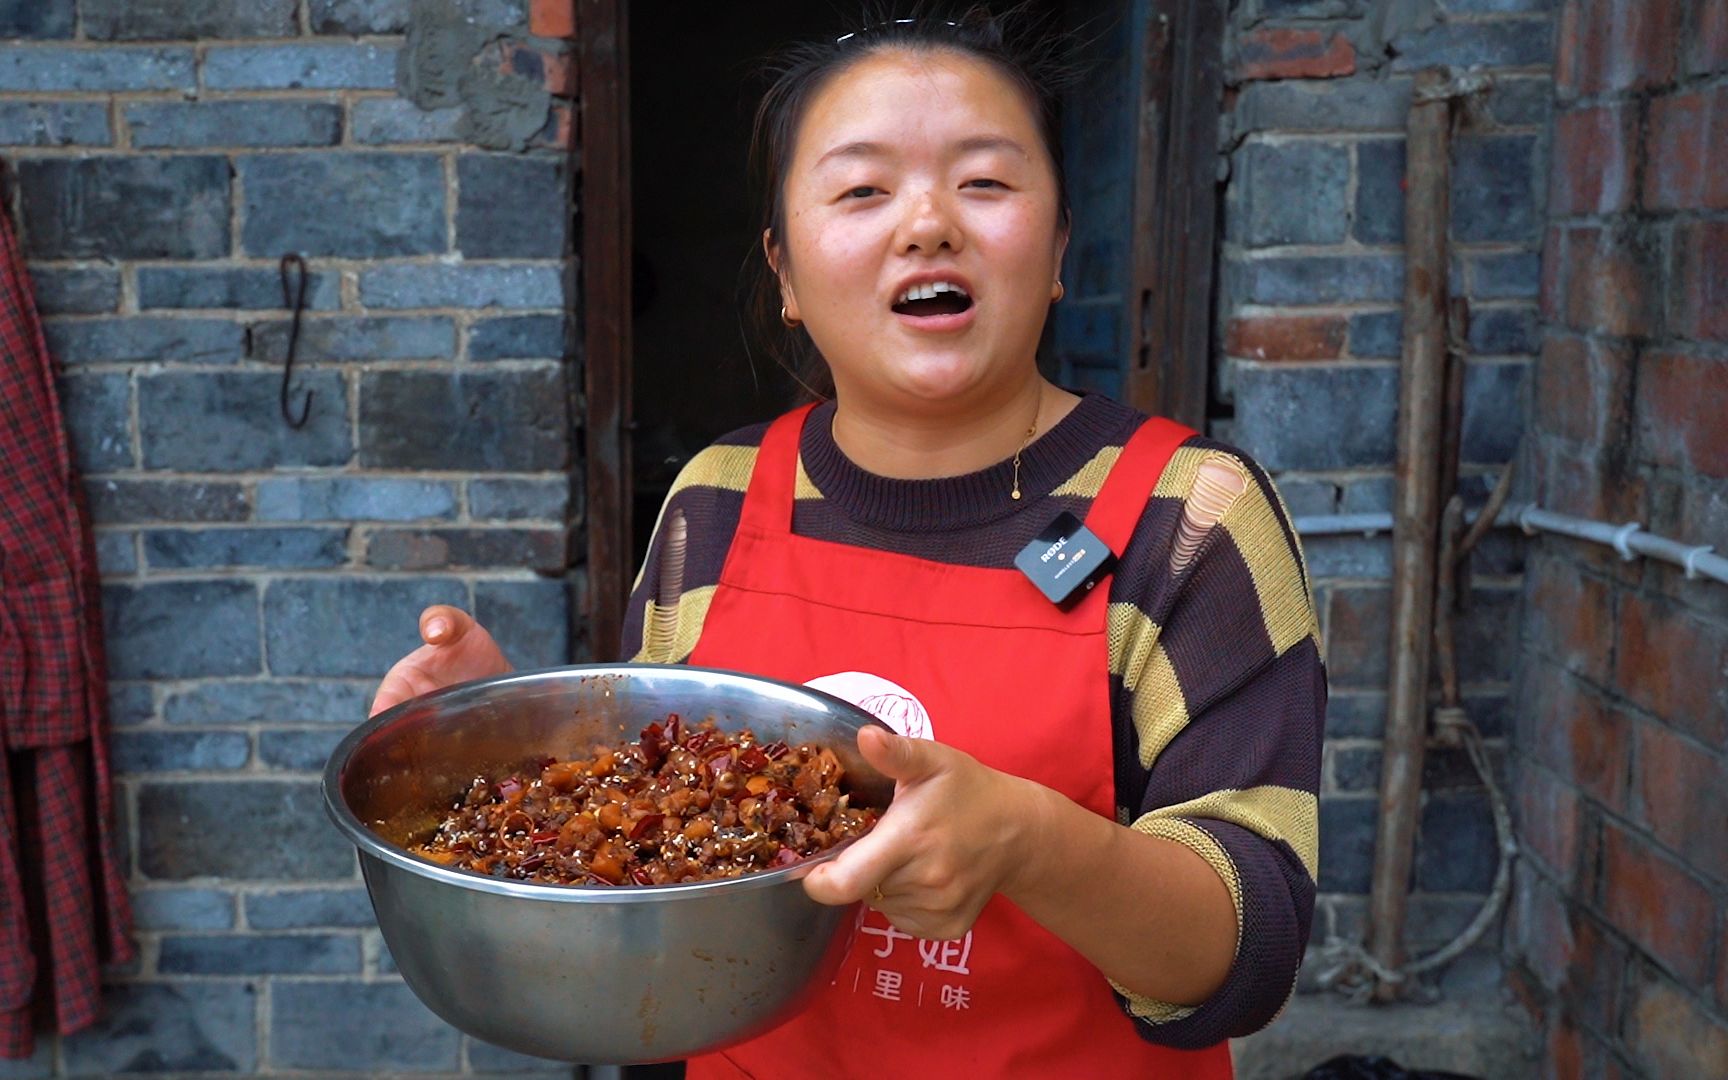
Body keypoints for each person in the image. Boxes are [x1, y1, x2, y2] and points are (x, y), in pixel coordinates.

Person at [373, 9, 1323, 1077]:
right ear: (783, 271)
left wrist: (1033, 841)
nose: (927, 224)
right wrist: (520, 752)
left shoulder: (1187, 516)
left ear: (1059, 249)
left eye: (987, 182)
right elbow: (651, 851)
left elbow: (1252, 951)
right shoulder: (717, 498)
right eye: (863, 190)